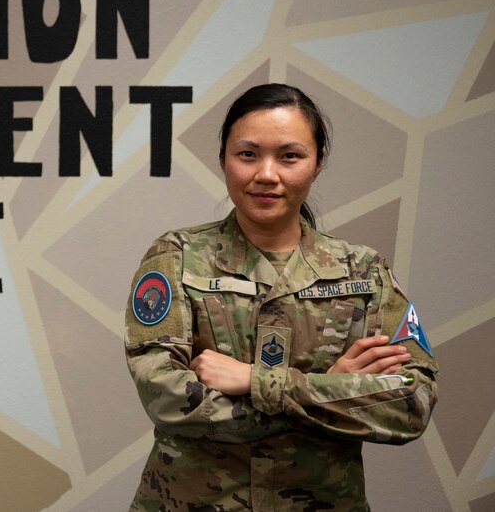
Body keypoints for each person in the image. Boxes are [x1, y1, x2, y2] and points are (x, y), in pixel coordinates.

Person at [124, 84, 437, 511]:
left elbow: (410, 404)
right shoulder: (176, 258)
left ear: (318, 164)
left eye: (290, 156)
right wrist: (330, 391)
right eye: (248, 154)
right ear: (223, 159)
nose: (266, 174)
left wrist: (257, 381)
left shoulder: (364, 272)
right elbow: (167, 397)